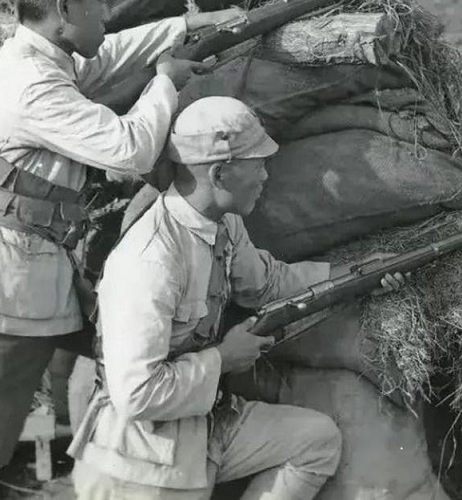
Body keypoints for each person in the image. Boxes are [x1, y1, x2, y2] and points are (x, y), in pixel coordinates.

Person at [0, 0, 244, 500]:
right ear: (65, 8)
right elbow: (133, 150)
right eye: (99, 1)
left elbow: (109, 53)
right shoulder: (31, 83)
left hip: (29, 280)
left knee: (9, 430)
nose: (108, 12)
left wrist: (184, 29)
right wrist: (164, 80)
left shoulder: (42, 56)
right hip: (4, 291)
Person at [68, 96, 407, 499]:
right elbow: (137, 395)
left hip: (200, 424)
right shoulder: (150, 261)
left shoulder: (223, 222)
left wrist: (361, 272)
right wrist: (225, 358)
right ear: (220, 173)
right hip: (140, 462)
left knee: (315, 440)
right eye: (257, 163)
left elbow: (267, 282)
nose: (265, 176)